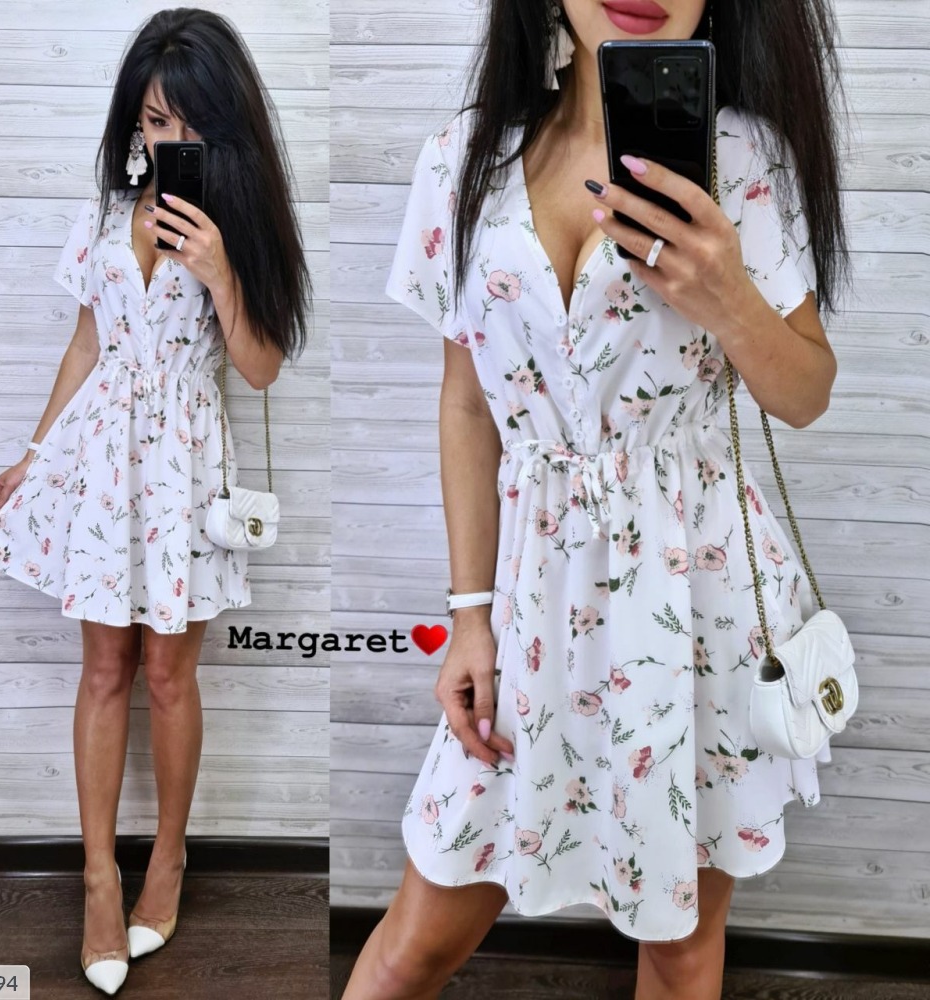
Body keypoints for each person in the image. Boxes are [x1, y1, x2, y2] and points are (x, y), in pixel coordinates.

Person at [344, 0, 849, 997]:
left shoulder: (744, 159)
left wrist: (728, 296)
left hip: (695, 598)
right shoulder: (464, 160)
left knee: (680, 946)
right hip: (531, 601)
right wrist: (469, 616)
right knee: (419, 934)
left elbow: (805, 393)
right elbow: (467, 406)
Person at [0, 8, 310, 995]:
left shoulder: (238, 222)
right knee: (103, 669)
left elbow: (260, 369)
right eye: (158, 121)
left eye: (192, 122)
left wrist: (219, 273)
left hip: (184, 466)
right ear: (134, 121)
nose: (173, 140)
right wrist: (34, 451)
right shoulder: (101, 215)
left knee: (169, 674)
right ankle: (97, 878)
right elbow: (87, 342)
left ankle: (167, 858)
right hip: (103, 458)